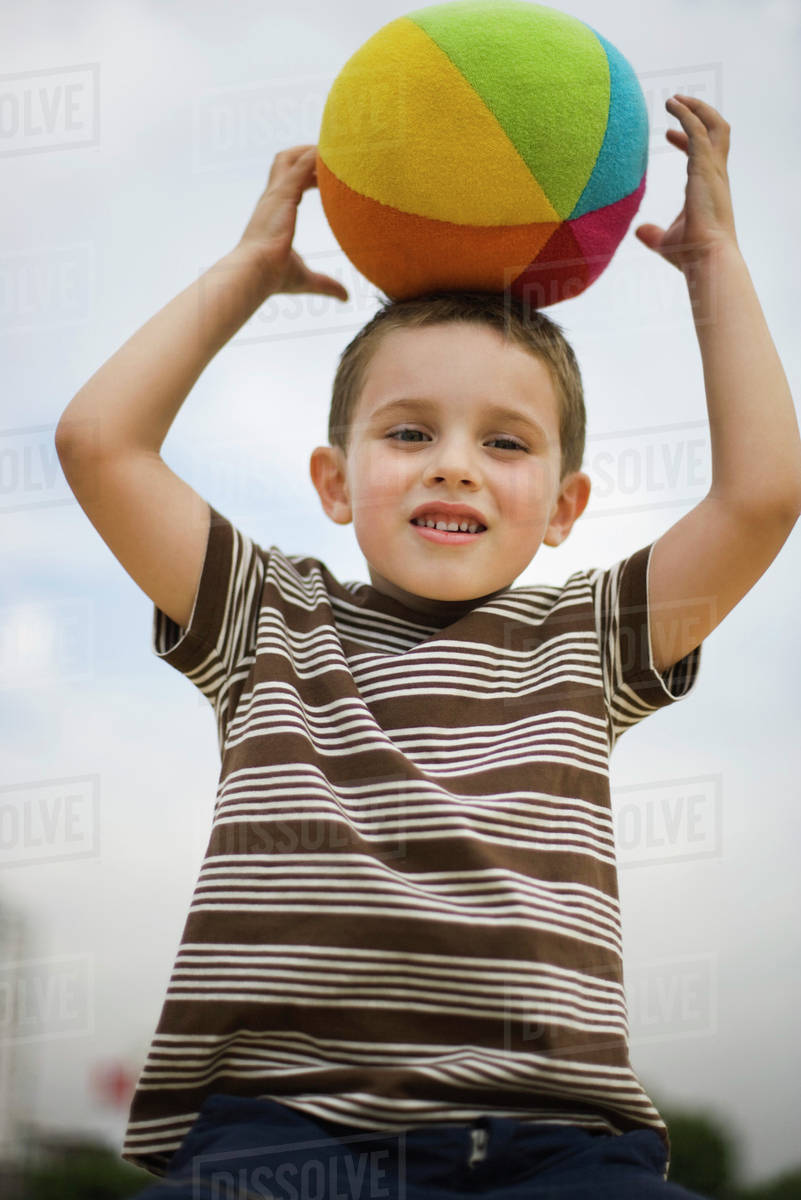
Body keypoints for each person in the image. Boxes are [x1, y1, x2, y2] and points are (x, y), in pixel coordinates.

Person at [55, 95, 800, 1199]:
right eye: (410, 433)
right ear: (335, 479)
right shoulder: (266, 619)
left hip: (560, 1146)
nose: (454, 464)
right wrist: (247, 271)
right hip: (283, 1137)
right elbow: (97, 442)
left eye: (504, 443)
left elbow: (763, 496)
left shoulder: (587, 642)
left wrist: (715, 264)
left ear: (563, 504)